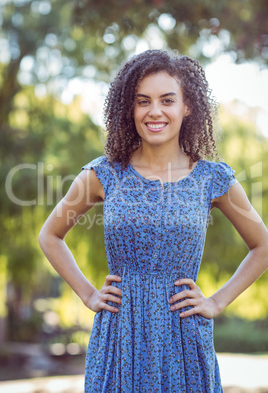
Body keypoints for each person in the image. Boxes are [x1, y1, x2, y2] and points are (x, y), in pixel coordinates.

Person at [39, 49, 268, 392]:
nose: (155, 111)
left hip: (184, 334)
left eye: (167, 100)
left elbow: (262, 246)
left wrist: (216, 301)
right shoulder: (104, 174)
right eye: (142, 101)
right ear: (129, 109)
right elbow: (50, 235)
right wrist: (88, 295)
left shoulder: (212, 179)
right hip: (120, 334)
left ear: (187, 106)